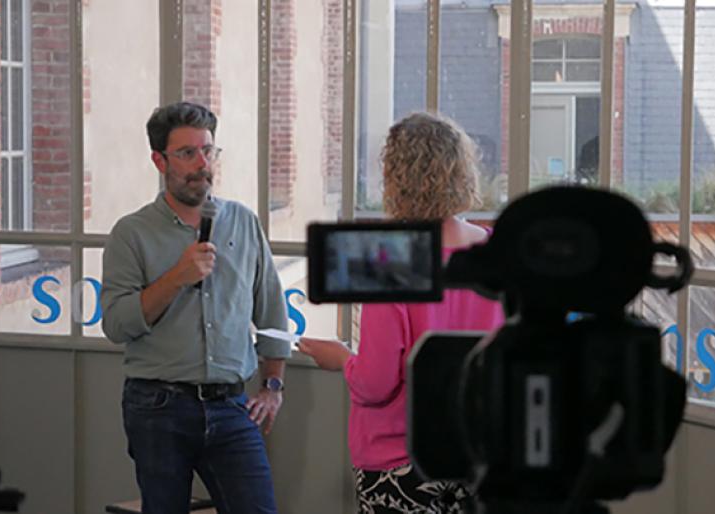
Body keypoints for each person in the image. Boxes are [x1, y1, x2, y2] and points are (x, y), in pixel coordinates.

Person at [298, 112, 506, 513]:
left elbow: (377, 383)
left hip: (402, 460)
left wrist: (341, 358)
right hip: (481, 454)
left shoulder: (391, 259)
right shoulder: (497, 254)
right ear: (463, 170)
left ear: (396, 178)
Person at [101, 102, 289, 514]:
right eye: (187, 153)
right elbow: (116, 325)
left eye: (208, 151)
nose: (202, 164)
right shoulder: (131, 233)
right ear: (159, 160)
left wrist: (273, 388)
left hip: (232, 407)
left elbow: (273, 316)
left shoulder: (243, 222)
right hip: (158, 408)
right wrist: (177, 277)